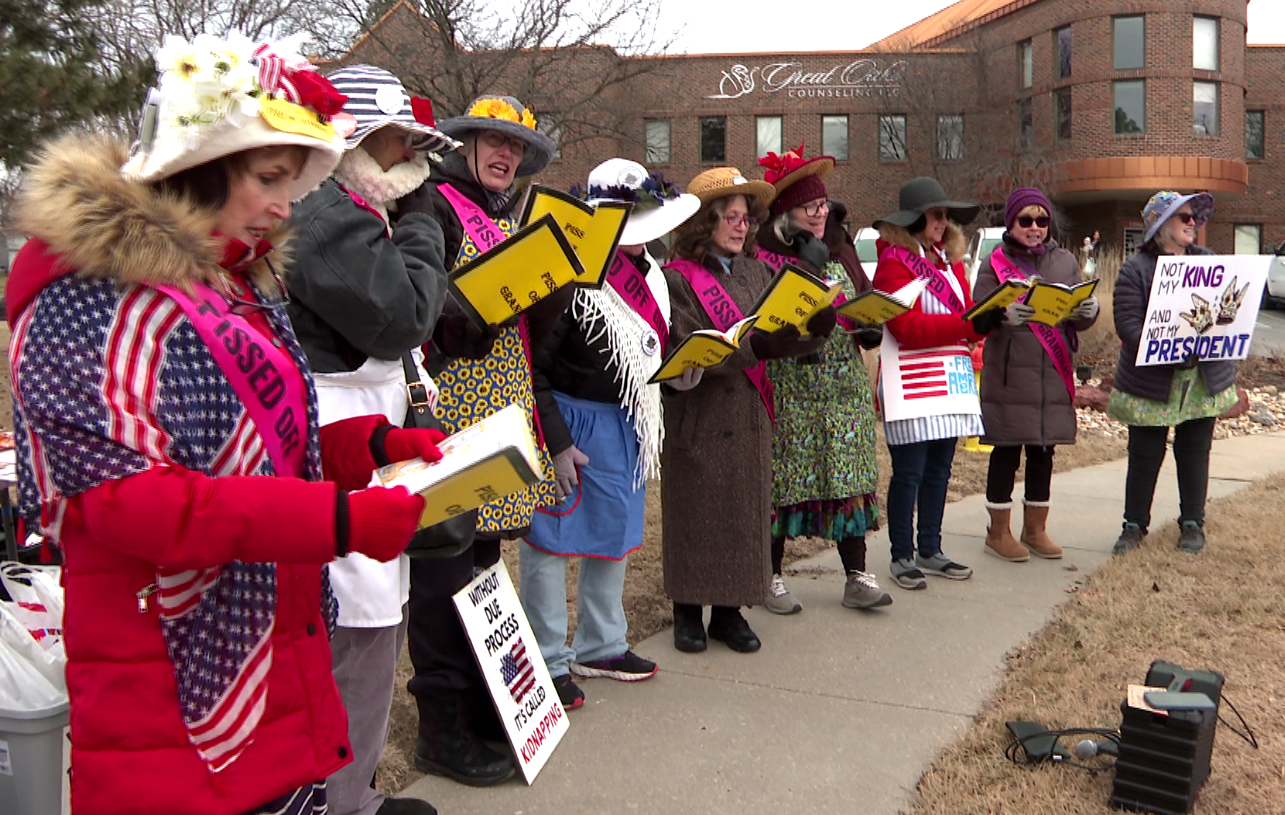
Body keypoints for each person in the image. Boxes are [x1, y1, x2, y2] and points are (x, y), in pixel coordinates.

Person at [5, 34, 440, 815]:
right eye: (269, 177)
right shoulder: (86, 304)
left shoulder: (234, 285)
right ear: (198, 170)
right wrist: (340, 519)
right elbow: (140, 502)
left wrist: (368, 448)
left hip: (275, 655)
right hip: (167, 692)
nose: (285, 202)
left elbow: (268, 455)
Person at [286, 64, 458, 815]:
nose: (411, 160)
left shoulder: (351, 205)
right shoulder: (325, 212)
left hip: (364, 425)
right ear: (357, 140)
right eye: (398, 143)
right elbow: (401, 315)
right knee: (355, 630)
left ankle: (347, 788)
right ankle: (334, 797)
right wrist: (424, 224)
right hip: (336, 425)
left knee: (374, 621)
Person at [397, 94, 565, 786]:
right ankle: (441, 728)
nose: (506, 156)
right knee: (442, 577)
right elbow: (419, 313)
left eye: (516, 148)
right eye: (493, 142)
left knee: (484, 573)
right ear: (463, 145)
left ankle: (484, 705)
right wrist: (467, 314)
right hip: (450, 418)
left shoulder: (510, 220)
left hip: (504, 411)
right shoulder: (430, 207)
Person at [520, 158, 702, 706]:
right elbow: (535, 367)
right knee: (549, 545)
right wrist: (556, 441)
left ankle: (601, 644)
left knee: (614, 540)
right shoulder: (570, 276)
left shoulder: (653, 274)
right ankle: (547, 657)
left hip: (629, 421)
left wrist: (682, 373)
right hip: (571, 421)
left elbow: (648, 353)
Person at [662, 166, 836, 653]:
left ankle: (730, 612)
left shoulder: (761, 270)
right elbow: (688, 343)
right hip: (700, 413)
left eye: (745, 218)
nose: (742, 226)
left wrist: (816, 328)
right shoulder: (675, 280)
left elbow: (783, 335)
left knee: (741, 516)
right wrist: (757, 349)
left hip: (749, 416)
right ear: (705, 223)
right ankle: (687, 611)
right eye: (731, 217)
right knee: (696, 515)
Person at [753, 147, 888, 612]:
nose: (819, 214)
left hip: (843, 389)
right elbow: (774, 316)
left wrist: (871, 324)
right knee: (784, 482)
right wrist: (807, 267)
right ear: (785, 213)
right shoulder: (765, 255)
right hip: (792, 387)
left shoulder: (842, 246)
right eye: (809, 207)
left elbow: (861, 296)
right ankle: (769, 576)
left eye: (823, 205)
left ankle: (856, 574)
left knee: (848, 478)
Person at [871, 177, 999, 591]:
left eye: (946, 215)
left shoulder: (952, 263)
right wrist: (967, 324)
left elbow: (964, 325)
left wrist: (986, 324)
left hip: (948, 379)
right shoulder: (893, 264)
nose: (944, 222)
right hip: (909, 381)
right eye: (936, 214)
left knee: (940, 470)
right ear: (914, 220)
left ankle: (930, 547)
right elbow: (906, 327)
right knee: (909, 472)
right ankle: (901, 555)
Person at [973, 188, 1100, 562]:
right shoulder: (994, 263)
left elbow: (1079, 313)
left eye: (1041, 220)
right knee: (1007, 451)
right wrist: (1001, 316)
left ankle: (1035, 529)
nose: (1034, 228)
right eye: (1025, 220)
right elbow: (978, 315)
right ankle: (997, 532)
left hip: (1051, 374)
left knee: (1044, 451)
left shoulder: (1065, 262)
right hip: (1011, 374)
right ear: (1011, 223)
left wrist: (1087, 311)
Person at [1109, 191, 1235, 555]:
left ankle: (1193, 523)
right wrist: (1166, 350)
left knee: (1195, 449)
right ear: (1161, 226)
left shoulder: (1209, 261)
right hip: (1152, 377)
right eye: (1183, 217)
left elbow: (1230, 307)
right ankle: (1133, 526)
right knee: (1145, 452)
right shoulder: (1137, 268)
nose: (1192, 221)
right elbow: (1127, 323)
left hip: (1201, 376)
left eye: (1193, 216)